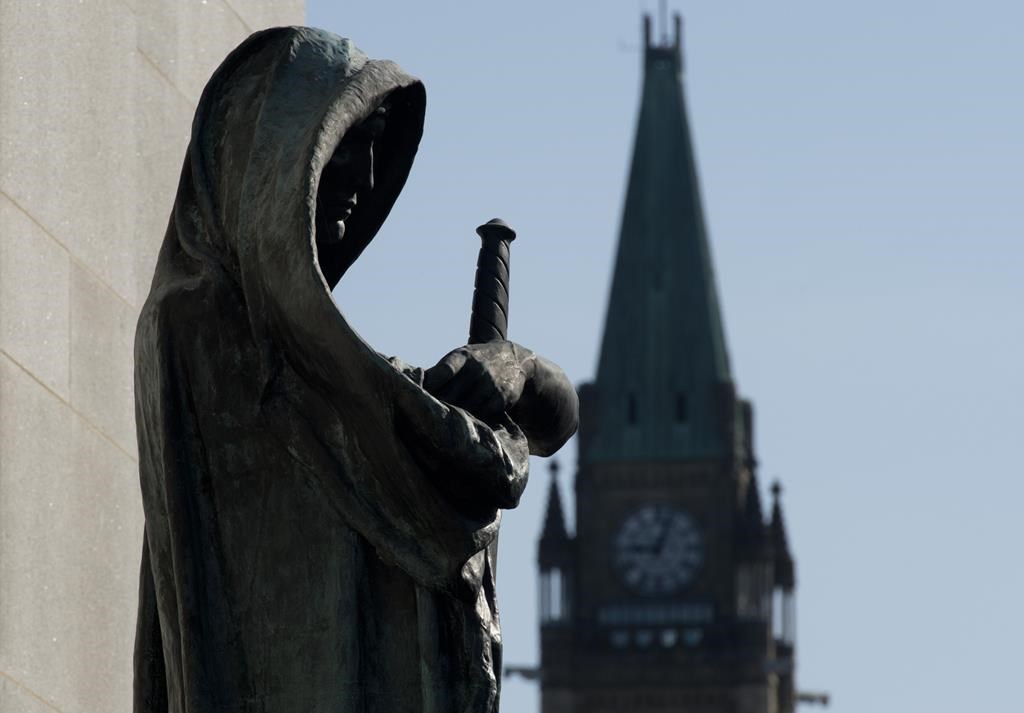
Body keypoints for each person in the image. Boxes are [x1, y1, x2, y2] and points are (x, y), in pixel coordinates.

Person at [133, 26, 577, 713]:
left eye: (375, 146)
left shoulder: (337, 384)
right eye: (347, 143)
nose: (365, 176)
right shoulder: (205, 329)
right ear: (278, 153)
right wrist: (479, 418)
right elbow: (467, 463)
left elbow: (556, 417)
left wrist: (512, 368)